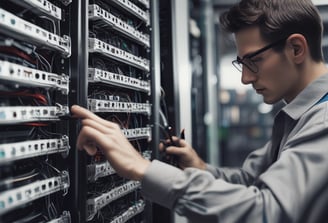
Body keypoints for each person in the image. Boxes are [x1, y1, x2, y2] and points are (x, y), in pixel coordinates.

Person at [71, 0, 328, 222]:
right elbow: (252, 181)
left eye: (253, 61)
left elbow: (266, 213)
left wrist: (141, 168)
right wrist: (201, 169)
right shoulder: (300, 117)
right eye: (242, 64)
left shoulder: (323, 121)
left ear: (296, 48)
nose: (246, 79)